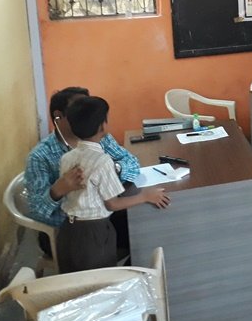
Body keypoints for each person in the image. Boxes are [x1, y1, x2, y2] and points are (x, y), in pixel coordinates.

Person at [57, 96, 170, 273]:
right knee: (101, 279)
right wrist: (145, 196)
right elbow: (113, 203)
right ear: (102, 126)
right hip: (94, 233)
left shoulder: (66, 158)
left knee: (73, 280)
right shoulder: (102, 161)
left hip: (67, 231)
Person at [25, 87, 140, 254]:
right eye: (78, 110)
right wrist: (57, 190)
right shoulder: (40, 156)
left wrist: (115, 169)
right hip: (66, 229)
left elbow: (132, 162)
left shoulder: (99, 137)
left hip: (103, 216)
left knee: (144, 226)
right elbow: (37, 211)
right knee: (134, 237)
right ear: (58, 116)